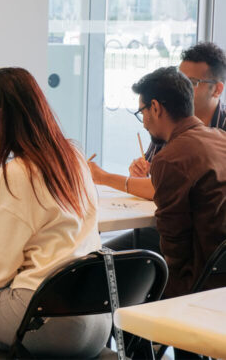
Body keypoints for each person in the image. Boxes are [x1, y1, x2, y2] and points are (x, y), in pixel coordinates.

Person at [0, 68, 111, 359]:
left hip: (49, 320)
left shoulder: (15, 175)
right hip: (96, 319)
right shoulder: (73, 158)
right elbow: (38, 198)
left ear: (1, 117)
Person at [90, 42, 226, 253]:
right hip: (207, 251)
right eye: (181, 80)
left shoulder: (179, 140)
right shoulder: (179, 131)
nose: (183, 88)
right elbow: (155, 178)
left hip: (199, 253)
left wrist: (105, 177)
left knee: (97, 262)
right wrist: (143, 173)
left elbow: (175, 250)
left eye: (191, 82)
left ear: (217, 89)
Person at [131, 66, 226, 298]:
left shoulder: (170, 158)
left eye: (142, 112)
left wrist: (161, 306)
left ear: (155, 107)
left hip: (202, 284)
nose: (143, 123)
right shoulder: (220, 138)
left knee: (121, 268)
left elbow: (175, 250)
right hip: (219, 271)